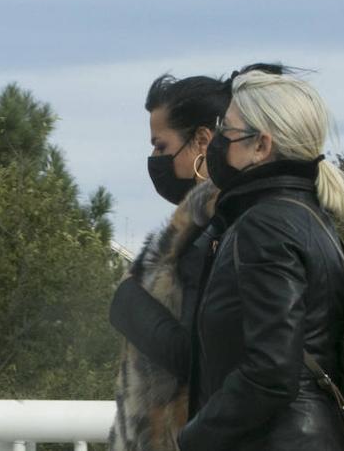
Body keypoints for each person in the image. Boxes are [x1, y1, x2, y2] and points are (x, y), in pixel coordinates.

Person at [178, 67, 344, 451]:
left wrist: (194, 437)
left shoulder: (267, 226)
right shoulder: (309, 219)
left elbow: (272, 370)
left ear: (261, 145)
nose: (216, 140)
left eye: (226, 129)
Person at [108, 73, 230, 451]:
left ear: (202, 141)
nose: (155, 160)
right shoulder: (197, 231)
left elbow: (201, 356)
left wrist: (127, 303)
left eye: (161, 147)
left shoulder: (214, 233)